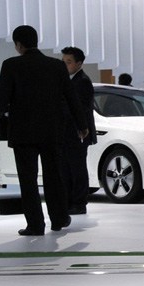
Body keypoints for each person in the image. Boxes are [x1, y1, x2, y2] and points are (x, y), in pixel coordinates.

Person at [0, 25, 89, 236]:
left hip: (23, 133)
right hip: (52, 131)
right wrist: (82, 125)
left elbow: (2, 97)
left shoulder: (11, 65)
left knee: (28, 180)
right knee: (54, 176)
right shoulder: (56, 66)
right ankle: (59, 218)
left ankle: (35, 225)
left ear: (18, 45)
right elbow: (71, 97)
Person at [60, 46, 97, 215]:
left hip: (78, 132)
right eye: (63, 61)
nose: (65, 65)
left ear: (79, 63)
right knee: (67, 169)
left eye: (68, 62)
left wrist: (81, 127)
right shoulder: (67, 80)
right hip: (67, 133)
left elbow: (81, 109)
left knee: (77, 169)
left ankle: (79, 203)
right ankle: (69, 202)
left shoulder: (82, 81)